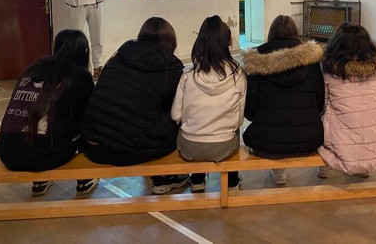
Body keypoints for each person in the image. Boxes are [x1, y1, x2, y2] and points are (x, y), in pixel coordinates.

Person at [81, 17, 187, 194]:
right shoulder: (171, 68)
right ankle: (164, 177)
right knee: (176, 120)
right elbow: (175, 111)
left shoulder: (117, 58)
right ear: (171, 41)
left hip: (93, 145)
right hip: (132, 151)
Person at [0, 30, 96, 197]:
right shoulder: (80, 76)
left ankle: (41, 180)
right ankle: (85, 178)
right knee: (86, 124)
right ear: (84, 51)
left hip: (7, 150)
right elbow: (85, 115)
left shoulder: (34, 68)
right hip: (44, 155)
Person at [242, 15, 325, 185]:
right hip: (308, 138)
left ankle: (278, 172)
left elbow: (250, 108)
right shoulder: (311, 60)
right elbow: (319, 101)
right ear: (295, 33)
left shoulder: (258, 61)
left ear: (271, 34)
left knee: (252, 131)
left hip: (266, 140)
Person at [318, 23, 376, 176]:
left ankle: (324, 167)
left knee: (323, 119)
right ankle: (364, 163)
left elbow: (324, 101)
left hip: (343, 129)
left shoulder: (329, 65)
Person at [171, 15, 247, 192]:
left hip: (189, 146)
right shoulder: (239, 76)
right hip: (223, 145)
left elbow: (175, 115)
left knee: (194, 127)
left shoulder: (188, 75)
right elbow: (239, 120)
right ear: (227, 42)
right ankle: (232, 181)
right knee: (234, 132)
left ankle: (197, 180)